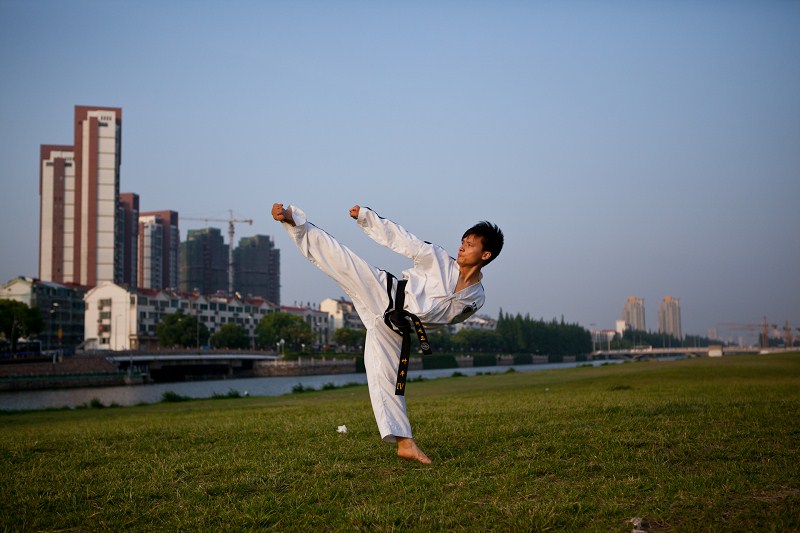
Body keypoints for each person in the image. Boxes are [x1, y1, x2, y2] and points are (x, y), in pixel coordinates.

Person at [272, 202, 503, 464]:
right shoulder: (437, 258)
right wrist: (367, 218)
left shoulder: (476, 298)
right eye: (462, 241)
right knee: (342, 261)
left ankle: (405, 443)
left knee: (386, 377)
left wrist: (416, 322)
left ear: (486, 255)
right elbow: (403, 239)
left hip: (396, 326)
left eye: (470, 244)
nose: (461, 247)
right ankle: (294, 221)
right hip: (386, 293)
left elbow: (443, 318)